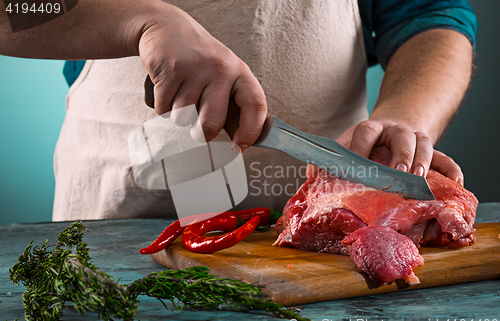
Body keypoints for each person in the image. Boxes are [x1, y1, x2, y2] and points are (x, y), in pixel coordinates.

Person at [0, 0, 477, 221]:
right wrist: (144, 21)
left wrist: (408, 114)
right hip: (117, 226)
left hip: (327, 229)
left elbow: (428, 16)